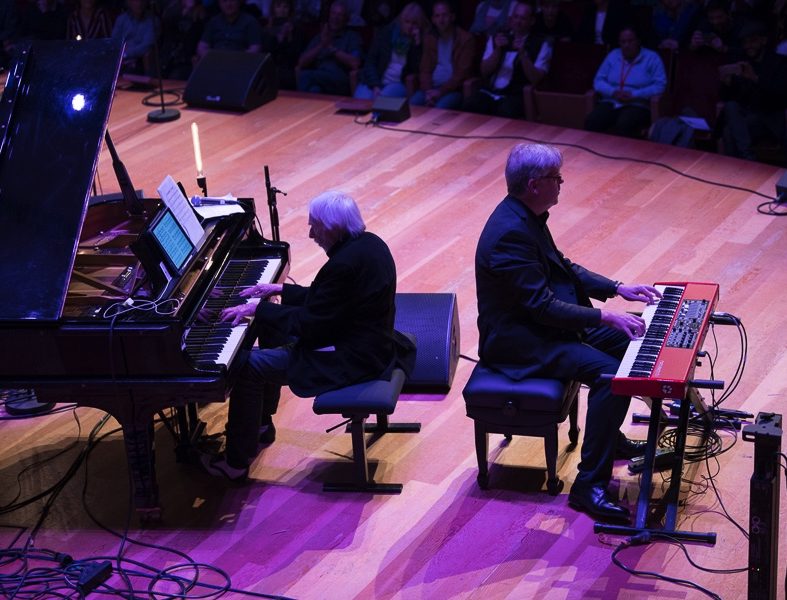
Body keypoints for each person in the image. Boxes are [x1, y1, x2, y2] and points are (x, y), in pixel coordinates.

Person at [475, 143, 661, 521]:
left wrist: (616, 287)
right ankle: (588, 486)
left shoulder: (526, 215)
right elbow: (541, 307)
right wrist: (605, 317)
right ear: (534, 184)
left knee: (632, 343)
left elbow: (564, 268)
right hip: (523, 341)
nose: (562, 183)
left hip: (544, 327)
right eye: (556, 178)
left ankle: (608, 439)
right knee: (611, 378)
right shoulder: (510, 232)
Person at [201, 191, 415, 480]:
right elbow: (330, 301)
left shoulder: (342, 265)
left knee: (247, 366)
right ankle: (261, 426)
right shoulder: (370, 244)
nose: (312, 233)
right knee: (272, 327)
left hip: (350, 357)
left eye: (315, 226)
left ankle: (236, 464)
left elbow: (312, 324)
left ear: (333, 227)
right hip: (370, 342)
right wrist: (279, 291)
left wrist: (258, 310)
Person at [462, 1, 551, 119]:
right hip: (490, 91)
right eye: (516, 17)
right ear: (511, 18)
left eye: (523, 19)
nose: (518, 22)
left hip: (515, 95)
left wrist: (523, 55)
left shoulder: (541, 43)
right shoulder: (497, 37)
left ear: (531, 21)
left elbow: (536, 79)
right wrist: (497, 50)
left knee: (506, 111)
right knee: (470, 106)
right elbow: (484, 71)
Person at [718, 20, 787, 160]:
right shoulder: (742, 61)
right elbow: (730, 98)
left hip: (770, 118)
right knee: (730, 107)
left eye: (752, 41)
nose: (748, 46)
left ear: (763, 41)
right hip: (748, 118)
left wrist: (755, 78)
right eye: (745, 42)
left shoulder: (779, 62)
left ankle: (743, 163)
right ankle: (747, 158)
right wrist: (727, 83)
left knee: (728, 132)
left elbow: (780, 97)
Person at [585, 26, 667, 138]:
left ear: (638, 41)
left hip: (638, 103)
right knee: (592, 121)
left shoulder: (652, 58)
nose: (626, 45)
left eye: (630, 41)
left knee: (625, 124)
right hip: (612, 100)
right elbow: (598, 81)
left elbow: (660, 85)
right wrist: (613, 92)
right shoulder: (613, 55)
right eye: (623, 42)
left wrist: (635, 94)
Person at [353, 2, 426, 100]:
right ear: (401, 21)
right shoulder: (386, 34)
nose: (410, 26)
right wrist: (375, 85)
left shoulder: (421, 41)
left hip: (397, 83)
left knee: (381, 102)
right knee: (360, 99)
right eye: (407, 22)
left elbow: (417, 70)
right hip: (375, 80)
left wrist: (417, 45)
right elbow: (370, 62)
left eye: (414, 23)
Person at [410, 0, 474, 110]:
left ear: (452, 17)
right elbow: (425, 69)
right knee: (412, 105)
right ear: (433, 20)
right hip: (430, 88)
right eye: (437, 16)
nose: (441, 19)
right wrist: (428, 93)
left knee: (438, 109)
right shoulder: (429, 38)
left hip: (453, 90)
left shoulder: (466, 39)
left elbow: (461, 74)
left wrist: (440, 92)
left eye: (445, 15)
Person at [296, 0, 362, 95]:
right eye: (333, 13)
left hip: (340, 80)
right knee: (314, 90)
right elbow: (301, 62)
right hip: (319, 78)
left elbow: (355, 63)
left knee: (305, 76)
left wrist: (331, 48)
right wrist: (321, 45)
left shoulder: (352, 37)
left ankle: (298, 106)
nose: (335, 18)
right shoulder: (321, 36)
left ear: (346, 19)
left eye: (340, 15)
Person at [196, 0, 262, 58]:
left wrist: (235, 59)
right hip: (215, 63)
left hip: (240, 64)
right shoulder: (213, 22)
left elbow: (255, 48)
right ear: (219, 3)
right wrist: (212, 58)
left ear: (239, 1)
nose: (228, 4)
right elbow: (202, 47)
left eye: (232, 0)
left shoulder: (250, 21)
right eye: (224, 1)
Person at [112, 0, 158, 75]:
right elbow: (114, 42)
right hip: (121, 60)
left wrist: (126, 54)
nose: (139, 3)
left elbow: (146, 46)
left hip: (140, 60)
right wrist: (121, 56)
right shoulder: (121, 20)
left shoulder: (152, 21)